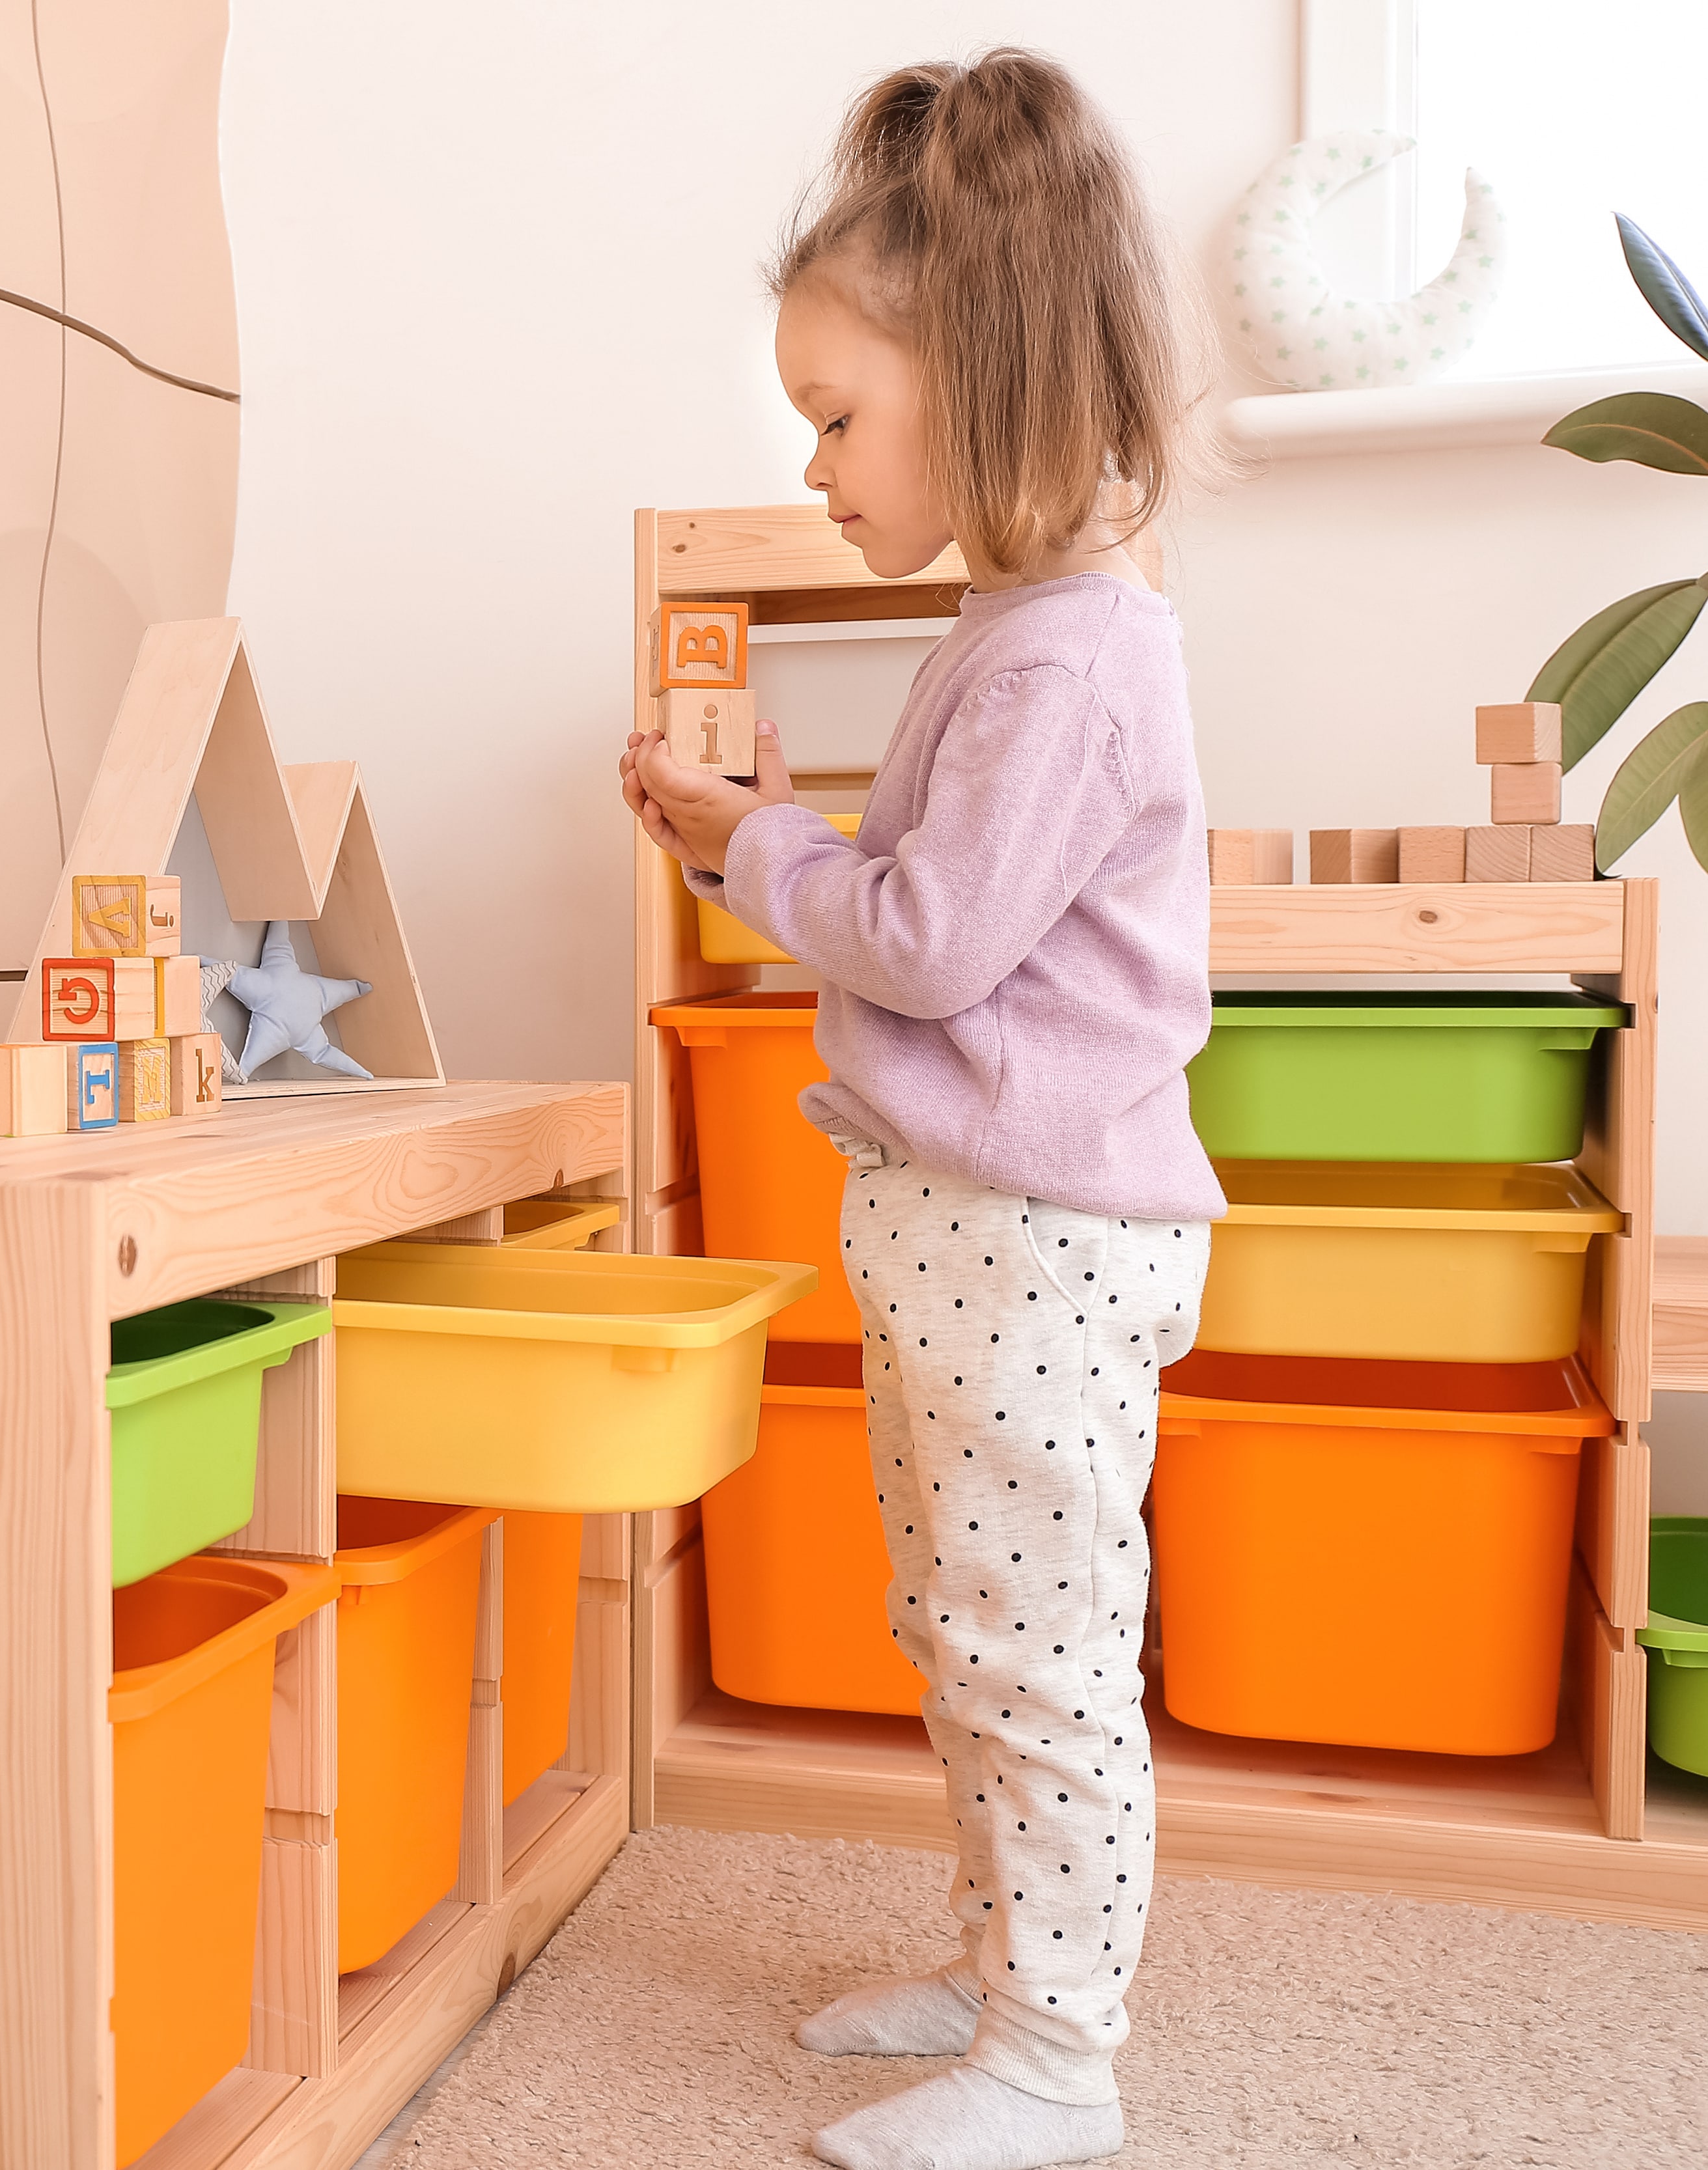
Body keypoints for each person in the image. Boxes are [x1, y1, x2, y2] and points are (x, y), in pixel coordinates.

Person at [621, 48, 1221, 2170]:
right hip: (985, 1233)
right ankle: (1001, 1982)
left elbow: (934, 940)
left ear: (988, 376)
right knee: (971, 1626)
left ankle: (1061, 2064)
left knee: (1036, 1648)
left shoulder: (1066, 654)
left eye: (838, 413)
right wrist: (765, 838)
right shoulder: (1019, 631)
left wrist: (747, 853)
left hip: (1040, 1241)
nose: (814, 456)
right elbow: (937, 909)